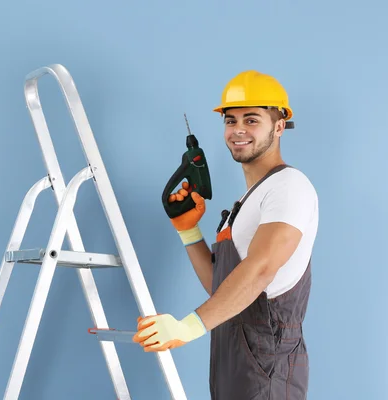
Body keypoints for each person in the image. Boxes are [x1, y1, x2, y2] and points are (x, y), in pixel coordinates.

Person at [132, 70, 319, 399]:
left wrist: (187, 326)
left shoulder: (290, 186)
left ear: (278, 126)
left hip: (269, 369)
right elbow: (222, 287)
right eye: (230, 121)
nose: (238, 130)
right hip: (232, 363)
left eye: (251, 120)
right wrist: (189, 231)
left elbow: (260, 269)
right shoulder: (245, 202)